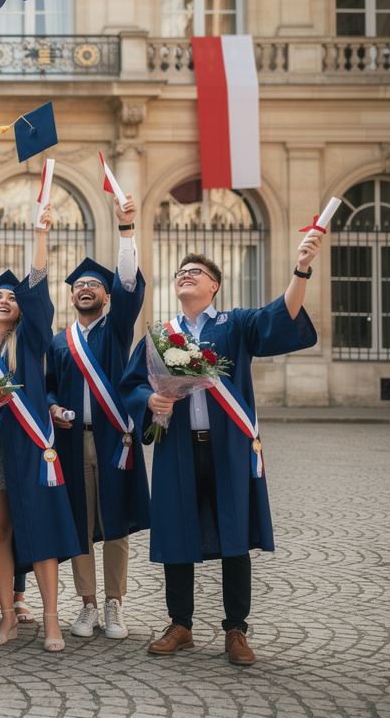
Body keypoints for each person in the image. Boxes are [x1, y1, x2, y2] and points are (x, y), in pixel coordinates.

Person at [121, 231, 322, 666]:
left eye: (196, 272)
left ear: (214, 285)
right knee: (176, 533)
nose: (186, 276)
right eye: (181, 273)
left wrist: (301, 268)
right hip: (178, 447)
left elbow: (282, 315)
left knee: (233, 536)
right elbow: (131, 387)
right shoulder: (160, 335)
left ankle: (236, 630)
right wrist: (149, 401)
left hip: (227, 447)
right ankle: (181, 624)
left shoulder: (236, 324)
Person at [0, 201, 79, 651]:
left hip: (30, 446)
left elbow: (37, 290)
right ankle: (7, 616)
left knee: (42, 528)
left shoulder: (31, 341)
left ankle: (51, 620)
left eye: (11, 297)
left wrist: (40, 236)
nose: (5, 299)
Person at [46, 193, 148, 640]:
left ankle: (114, 604)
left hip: (113, 440)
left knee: (116, 520)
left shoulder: (116, 329)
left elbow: (130, 285)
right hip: (71, 440)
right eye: (78, 285)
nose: (84, 288)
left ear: (106, 295)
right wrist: (51, 405)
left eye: (94, 284)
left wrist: (126, 231)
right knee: (80, 521)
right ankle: (86, 603)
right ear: (71, 296)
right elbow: (49, 384)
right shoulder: (58, 341)